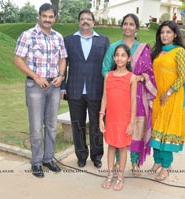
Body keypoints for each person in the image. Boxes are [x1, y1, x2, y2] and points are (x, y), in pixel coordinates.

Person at [14, 3, 67, 178]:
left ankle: (48, 159)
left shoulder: (58, 37)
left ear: (55, 18)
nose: (47, 19)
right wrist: (36, 76)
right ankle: (36, 162)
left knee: (51, 125)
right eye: (44, 16)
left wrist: (61, 75)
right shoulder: (28, 35)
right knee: (36, 127)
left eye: (51, 16)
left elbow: (63, 58)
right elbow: (18, 59)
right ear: (39, 16)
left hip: (54, 86)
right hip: (35, 86)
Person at [102, 13, 157, 176]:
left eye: (131, 24)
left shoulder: (143, 48)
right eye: (125, 24)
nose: (128, 27)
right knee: (118, 129)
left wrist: (140, 78)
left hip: (138, 95)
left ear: (136, 27)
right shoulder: (113, 47)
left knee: (135, 128)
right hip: (118, 96)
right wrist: (119, 78)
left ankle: (134, 161)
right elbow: (105, 70)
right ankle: (118, 160)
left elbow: (149, 72)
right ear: (122, 26)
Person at [63, 10, 110, 168]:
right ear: (78, 22)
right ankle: (81, 155)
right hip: (75, 90)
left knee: (97, 125)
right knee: (78, 124)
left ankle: (97, 156)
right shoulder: (69, 40)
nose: (85, 22)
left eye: (88, 19)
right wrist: (63, 86)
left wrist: (108, 90)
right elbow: (63, 65)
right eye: (82, 19)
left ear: (93, 22)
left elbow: (108, 66)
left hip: (96, 90)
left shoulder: (103, 41)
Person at [149, 21, 185, 181]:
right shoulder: (158, 52)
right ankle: (158, 161)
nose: (164, 35)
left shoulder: (179, 52)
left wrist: (169, 91)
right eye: (162, 32)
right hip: (158, 97)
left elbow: (183, 75)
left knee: (166, 131)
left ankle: (166, 166)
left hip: (172, 97)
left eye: (168, 32)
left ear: (175, 34)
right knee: (156, 129)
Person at [100, 44, 137, 191]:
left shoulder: (132, 78)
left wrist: (132, 122)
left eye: (123, 55)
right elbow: (104, 98)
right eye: (117, 55)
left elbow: (134, 101)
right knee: (111, 145)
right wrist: (101, 116)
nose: (119, 58)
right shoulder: (108, 76)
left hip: (125, 118)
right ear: (113, 57)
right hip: (111, 118)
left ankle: (120, 177)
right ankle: (109, 174)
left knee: (122, 147)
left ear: (129, 58)